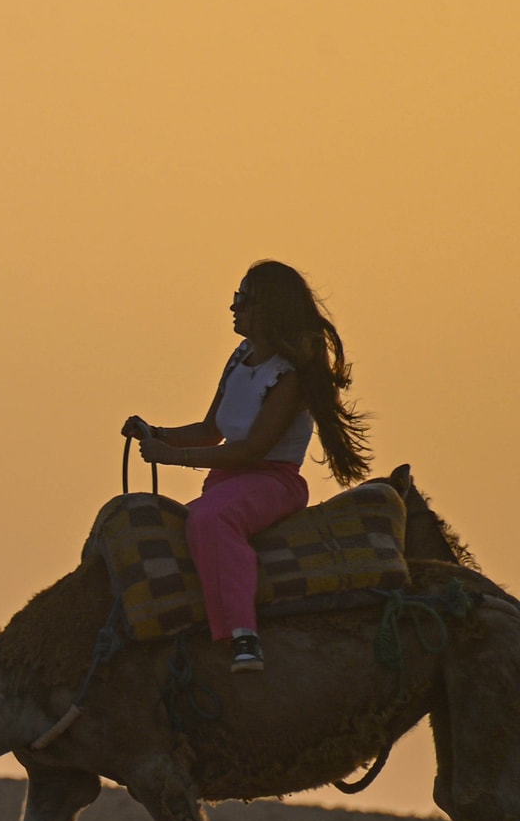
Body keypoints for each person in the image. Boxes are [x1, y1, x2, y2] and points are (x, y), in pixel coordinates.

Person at [124, 260, 372, 674]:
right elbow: (210, 431)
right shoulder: (241, 356)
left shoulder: (289, 375)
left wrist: (173, 458)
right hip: (226, 479)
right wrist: (156, 432)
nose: (233, 308)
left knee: (211, 520)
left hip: (270, 481)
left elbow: (252, 450)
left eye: (242, 300)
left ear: (269, 308)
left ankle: (244, 636)